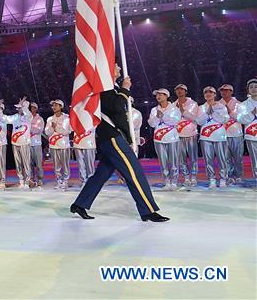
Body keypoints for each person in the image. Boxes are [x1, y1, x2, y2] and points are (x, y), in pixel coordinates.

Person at [71, 65, 167, 222]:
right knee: (134, 172)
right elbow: (115, 107)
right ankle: (148, 211)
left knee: (102, 174)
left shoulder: (111, 88)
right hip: (112, 136)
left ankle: (80, 204)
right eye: (116, 66)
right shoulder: (105, 87)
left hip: (112, 137)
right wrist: (125, 89)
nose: (120, 69)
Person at [196, 86, 231, 188]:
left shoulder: (221, 106)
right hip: (206, 137)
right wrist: (206, 113)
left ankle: (223, 179)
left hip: (220, 136)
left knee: (222, 158)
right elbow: (198, 121)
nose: (208, 94)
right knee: (208, 159)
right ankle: (211, 179)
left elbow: (224, 120)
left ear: (215, 94)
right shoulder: (201, 107)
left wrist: (214, 113)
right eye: (206, 92)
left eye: (210, 92)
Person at [148, 88, 182, 190]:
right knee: (162, 161)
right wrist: (157, 117)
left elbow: (175, 121)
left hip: (172, 137)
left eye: (161, 94)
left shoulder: (174, 108)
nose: (158, 96)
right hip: (158, 138)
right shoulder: (154, 110)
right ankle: (167, 181)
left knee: (173, 161)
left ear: (166, 96)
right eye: (157, 95)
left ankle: (174, 182)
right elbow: (151, 123)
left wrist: (163, 117)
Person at [173, 84, 201, 187]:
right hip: (178, 135)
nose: (179, 91)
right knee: (181, 158)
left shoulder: (193, 103)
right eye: (177, 90)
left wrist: (181, 110)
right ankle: (186, 177)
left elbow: (194, 117)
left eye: (182, 90)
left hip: (191, 134)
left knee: (193, 157)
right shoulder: (173, 104)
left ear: (185, 91)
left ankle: (193, 177)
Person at [218, 84, 244, 185]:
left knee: (238, 157)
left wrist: (230, 112)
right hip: (222, 135)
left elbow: (241, 118)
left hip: (236, 134)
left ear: (231, 92)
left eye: (226, 90)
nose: (224, 92)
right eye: (222, 90)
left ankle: (238, 175)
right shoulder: (218, 104)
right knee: (225, 158)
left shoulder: (239, 104)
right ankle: (228, 176)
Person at [45, 100, 72, 190]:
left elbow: (66, 131)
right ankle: (59, 180)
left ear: (61, 106)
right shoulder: (49, 119)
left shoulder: (66, 118)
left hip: (63, 145)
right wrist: (52, 127)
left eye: (56, 105)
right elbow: (47, 132)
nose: (53, 107)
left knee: (65, 164)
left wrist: (56, 127)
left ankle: (65, 181)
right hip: (53, 145)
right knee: (56, 165)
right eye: (53, 105)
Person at [236, 78, 257, 183]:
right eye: (251, 87)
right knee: (255, 159)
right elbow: (240, 119)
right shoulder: (243, 104)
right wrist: (252, 113)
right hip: (252, 135)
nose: (253, 89)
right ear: (248, 90)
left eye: (256, 87)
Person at [10, 98, 33, 190]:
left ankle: (27, 181)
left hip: (25, 143)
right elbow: (4, 118)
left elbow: (28, 113)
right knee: (18, 163)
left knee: (26, 163)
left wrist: (23, 106)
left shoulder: (28, 117)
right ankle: (21, 181)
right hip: (15, 143)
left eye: (19, 108)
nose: (17, 109)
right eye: (18, 108)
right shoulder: (15, 117)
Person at [27, 103, 46, 190]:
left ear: (36, 109)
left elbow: (39, 130)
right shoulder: (27, 118)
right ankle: (31, 179)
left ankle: (40, 179)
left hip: (37, 143)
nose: (32, 109)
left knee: (38, 163)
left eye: (34, 108)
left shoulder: (40, 119)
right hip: (28, 143)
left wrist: (29, 129)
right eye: (31, 108)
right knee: (29, 163)